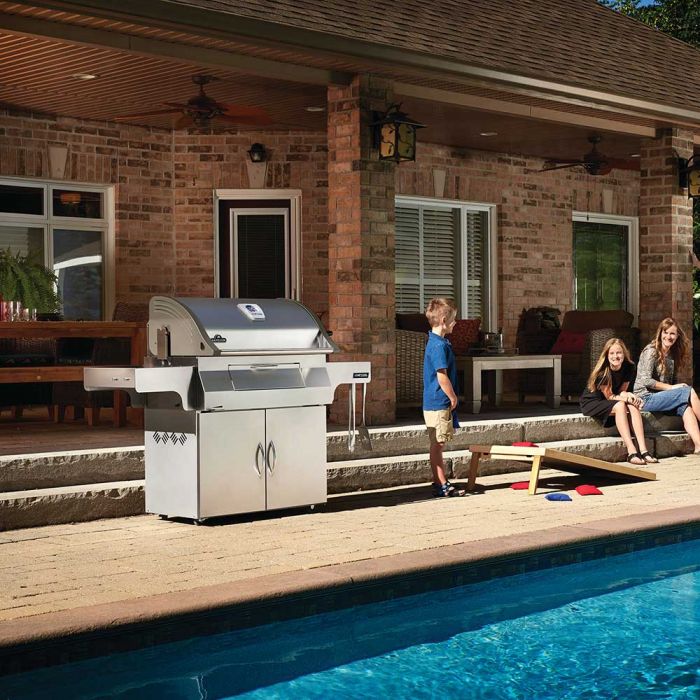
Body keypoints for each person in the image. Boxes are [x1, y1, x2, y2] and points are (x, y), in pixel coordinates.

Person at [580, 338, 657, 465]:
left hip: (613, 400)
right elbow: (609, 396)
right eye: (612, 353)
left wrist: (631, 396)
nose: (615, 356)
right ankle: (631, 451)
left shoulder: (629, 367)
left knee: (632, 406)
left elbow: (621, 391)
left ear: (624, 354)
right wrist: (626, 398)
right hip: (593, 402)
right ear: (607, 355)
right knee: (621, 405)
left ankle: (644, 451)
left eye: (619, 353)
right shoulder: (603, 372)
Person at [633, 317, 700, 453]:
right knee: (689, 391)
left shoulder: (671, 355)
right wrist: (672, 388)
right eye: (666, 332)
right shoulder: (651, 351)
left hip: (661, 397)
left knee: (685, 407)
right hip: (644, 397)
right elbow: (646, 380)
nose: (668, 337)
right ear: (660, 333)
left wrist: (674, 389)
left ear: (677, 336)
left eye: (672, 333)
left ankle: (699, 445)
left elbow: (671, 381)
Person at [423, 297, 465, 497]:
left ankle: (439, 482)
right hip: (438, 402)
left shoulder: (437, 342)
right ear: (443, 321)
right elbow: (441, 376)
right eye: (453, 319)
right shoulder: (438, 346)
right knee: (438, 445)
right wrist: (453, 397)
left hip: (435, 402)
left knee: (438, 443)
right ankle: (441, 484)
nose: (455, 323)